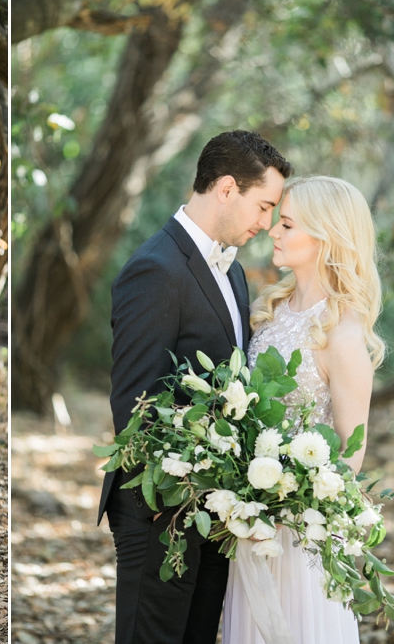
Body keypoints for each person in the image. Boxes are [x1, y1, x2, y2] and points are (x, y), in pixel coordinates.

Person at [100, 130, 293, 644]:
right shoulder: (155, 270)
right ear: (227, 188)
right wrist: (184, 491)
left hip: (215, 513)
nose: (266, 223)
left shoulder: (231, 272)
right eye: (264, 205)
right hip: (160, 511)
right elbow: (135, 407)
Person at [222, 175, 384, 644]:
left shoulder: (344, 333)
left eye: (287, 223)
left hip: (301, 531)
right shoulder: (271, 309)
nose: (273, 229)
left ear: (326, 236)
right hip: (251, 518)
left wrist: (288, 506)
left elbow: (351, 453)